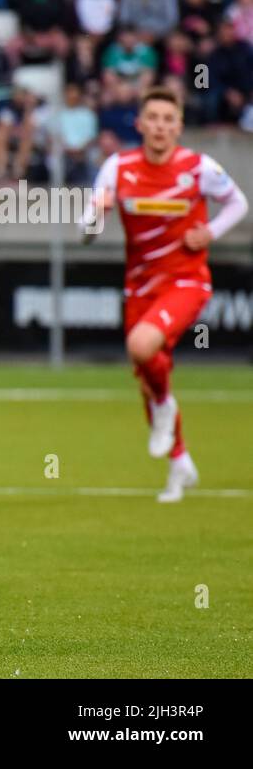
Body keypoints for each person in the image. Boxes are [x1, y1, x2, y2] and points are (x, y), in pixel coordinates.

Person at [80, 86, 248, 503]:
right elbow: (85, 233)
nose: (160, 126)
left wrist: (210, 231)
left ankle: (165, 406)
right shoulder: (118, 167)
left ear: (179, 127)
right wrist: (95, 217)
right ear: (139, 124)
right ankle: (179, 463)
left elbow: (238, 203)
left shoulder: (198, 167)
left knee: (141, 346)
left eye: (168, 119)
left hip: (187, 280)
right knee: (148, 375)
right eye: (152, 118)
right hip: (139, 285)